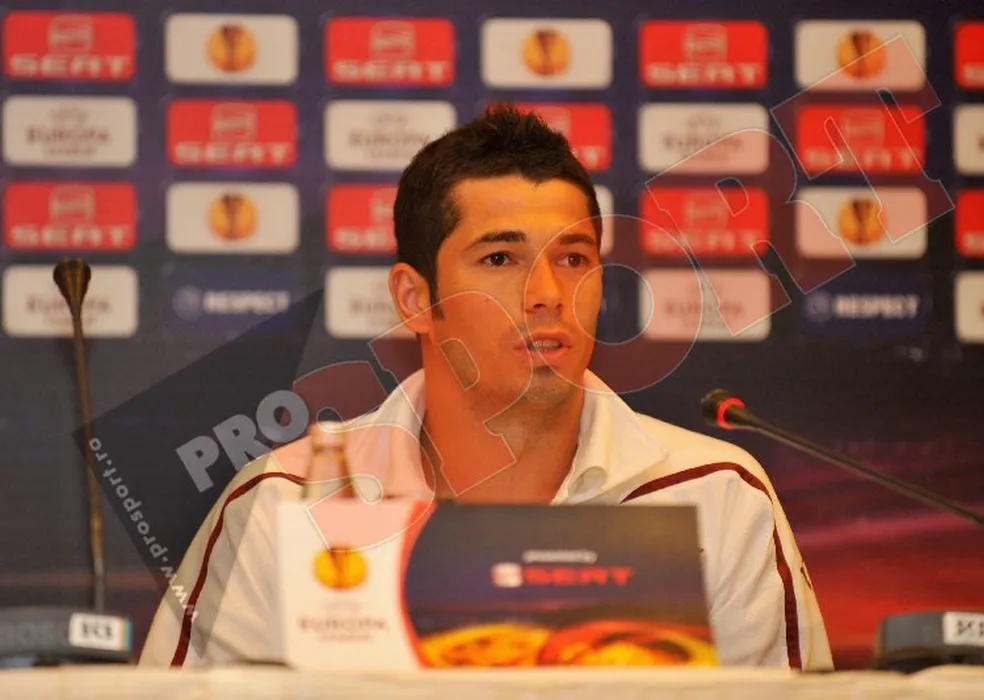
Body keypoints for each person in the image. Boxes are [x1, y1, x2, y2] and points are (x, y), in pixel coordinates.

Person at [139, 105, 833, 670]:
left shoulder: (715, 494)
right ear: (415, 298)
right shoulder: (287, 501)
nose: (548, 293)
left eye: (573, 259)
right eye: (501, 258)